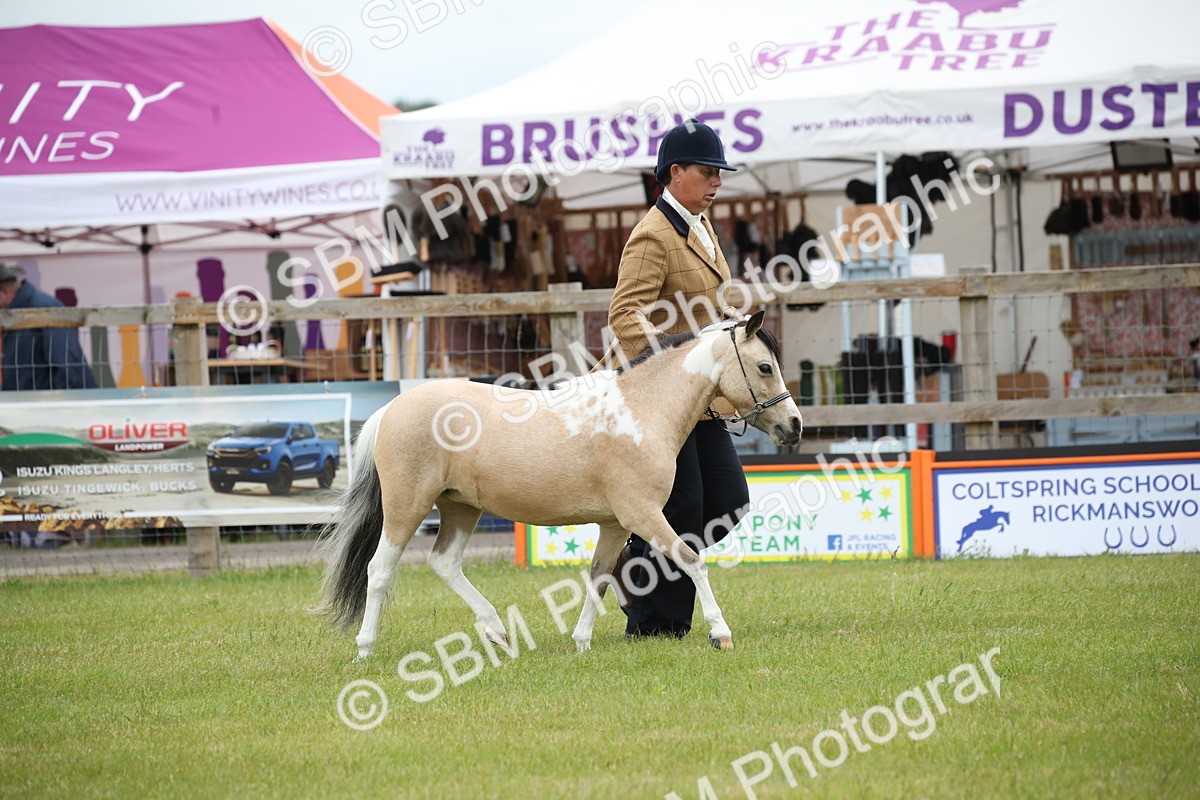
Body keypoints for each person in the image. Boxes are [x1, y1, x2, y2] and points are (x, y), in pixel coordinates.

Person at [606, 118, 750, 638]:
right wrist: (674, 366)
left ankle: (634, 561)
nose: (717, 182)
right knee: (683, 504)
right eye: (708, 172)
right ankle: (656, 627)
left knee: (729, 500)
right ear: (675, 173)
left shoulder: (700, 224)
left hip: (701, 399)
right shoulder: (652, 235)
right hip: (659, 397)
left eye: (719, 173)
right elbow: (625, 316)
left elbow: (706, 303)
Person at [0, 263, 97, 391]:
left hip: (55, 401)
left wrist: (61, 402)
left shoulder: (44, 310)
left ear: (5, 291)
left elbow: (67, 367)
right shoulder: (15, 315)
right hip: (35, 401)